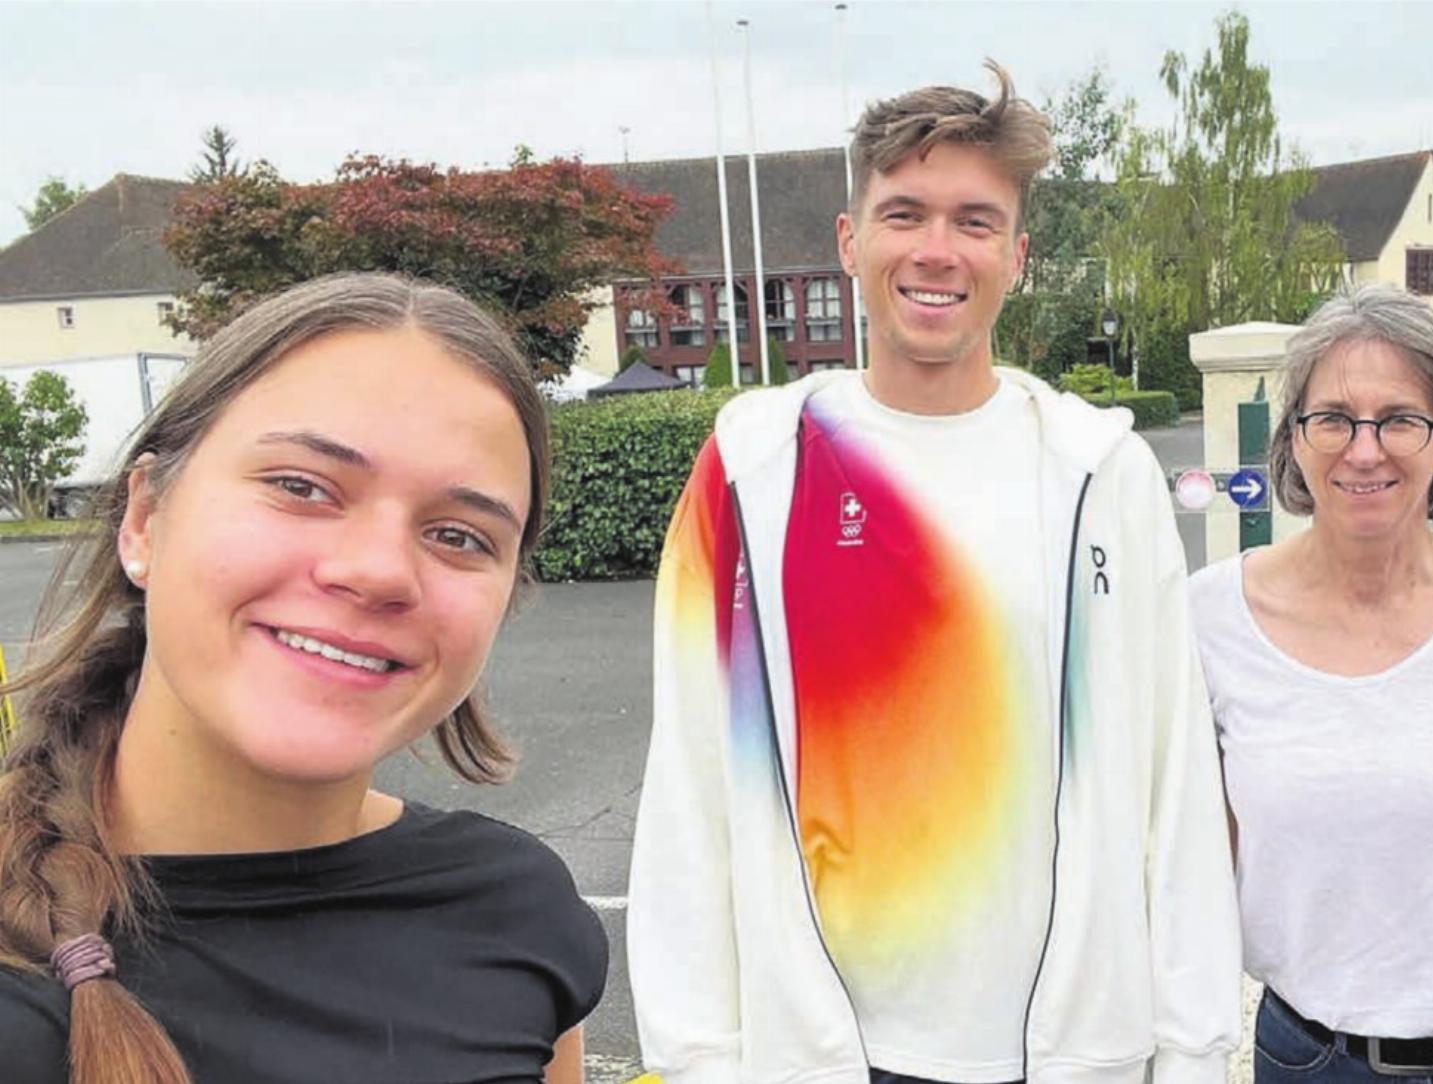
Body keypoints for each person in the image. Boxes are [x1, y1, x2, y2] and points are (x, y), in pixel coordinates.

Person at [627, 62, 1240, 1084]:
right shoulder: (752, 464)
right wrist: (698, 1058)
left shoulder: (1102, 471)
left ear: (1018, 254)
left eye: (975, 220)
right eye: (904, 213)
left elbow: (1173, 783)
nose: (938, 251)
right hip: (820, 1057)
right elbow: (694, 773)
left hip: (1071, 1055)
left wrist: (1193, 1050)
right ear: (849, 239)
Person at [0, 273, 607, 1084]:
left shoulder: (518, 912)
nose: (379, 572)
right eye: (300, 487)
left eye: (460, 534)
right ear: (144, 518)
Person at [1187, 285, 1433, 1084]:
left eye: (1400, 419)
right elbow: (1189, 862)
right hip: (1306, 1056)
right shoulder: (1207, 619)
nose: (1362, 450)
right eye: (1332, 418)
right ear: (1295, 440)